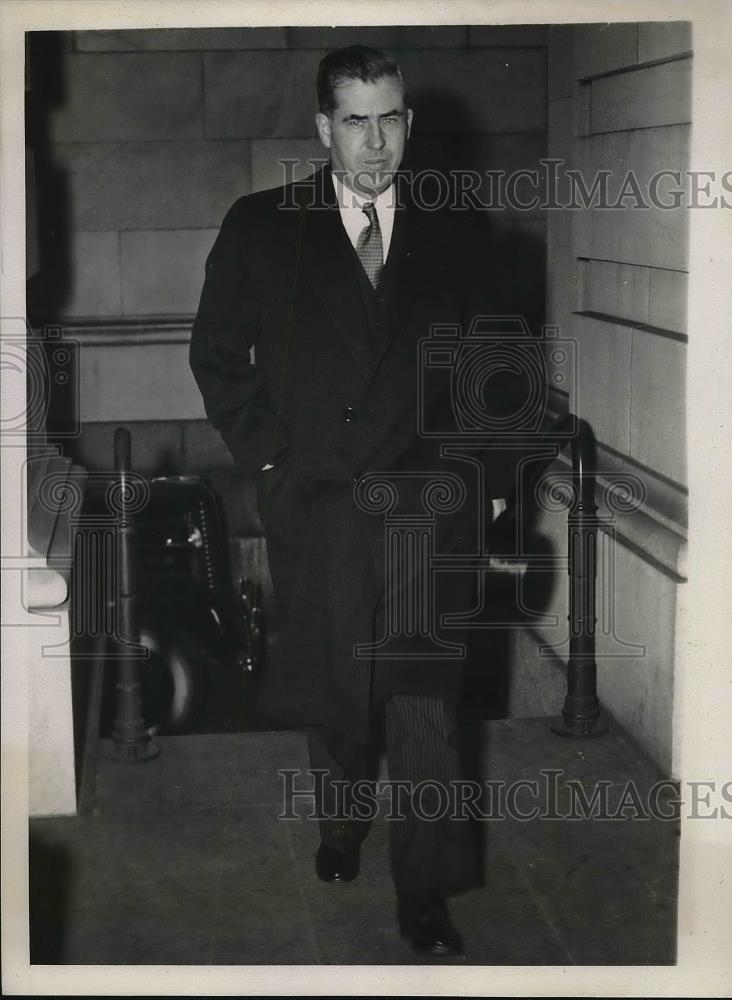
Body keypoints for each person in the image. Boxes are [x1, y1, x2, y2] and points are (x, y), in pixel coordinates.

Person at [190, 45, 522, 960]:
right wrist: (272, 467)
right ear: (322, 128)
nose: (375, 146)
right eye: (355, 122)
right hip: (323, 506)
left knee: (422, 700)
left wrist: (486, 487)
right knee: (339, 697)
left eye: (390, 121)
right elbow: (218, 359)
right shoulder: (262, 227)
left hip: (428, 507)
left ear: (409, 123)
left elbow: (497, 367)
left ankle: (426, 891)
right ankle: (340, 824)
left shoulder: (458, 230)